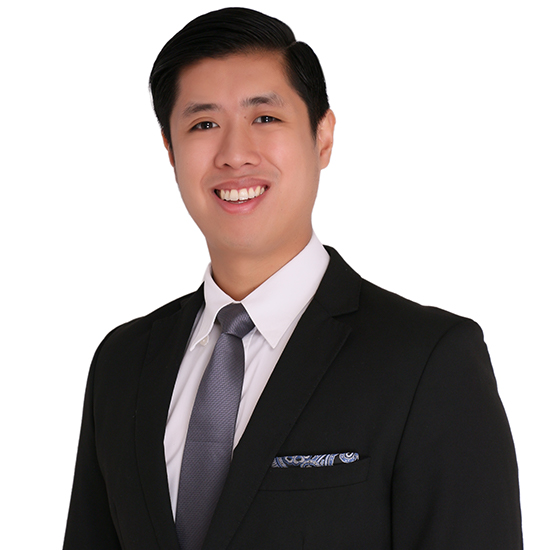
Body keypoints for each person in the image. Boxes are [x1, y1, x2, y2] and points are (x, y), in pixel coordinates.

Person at [63, 7, 522, 549]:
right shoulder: (121, 364)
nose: (234, 154)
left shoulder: (429, 360)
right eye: (203, 124)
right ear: (170, 150)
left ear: (322, 137)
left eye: (265, 118)